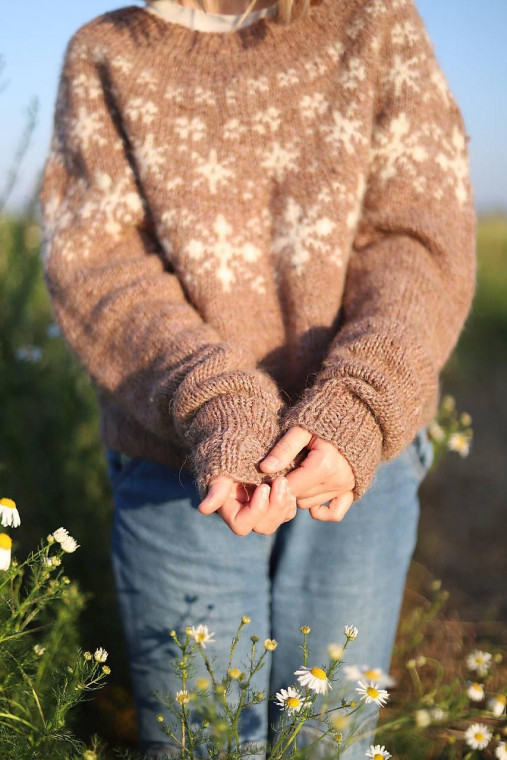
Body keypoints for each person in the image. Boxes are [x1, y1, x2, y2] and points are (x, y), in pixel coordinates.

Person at [38, 0, 476, 756]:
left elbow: (417, 236)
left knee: (328, 738)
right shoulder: (105, 54)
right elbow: (99, 266)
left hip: (360, 459)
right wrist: (217, 402)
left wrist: (358, 404)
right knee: (201, 740)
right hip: (174, 464)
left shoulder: (371, 21)